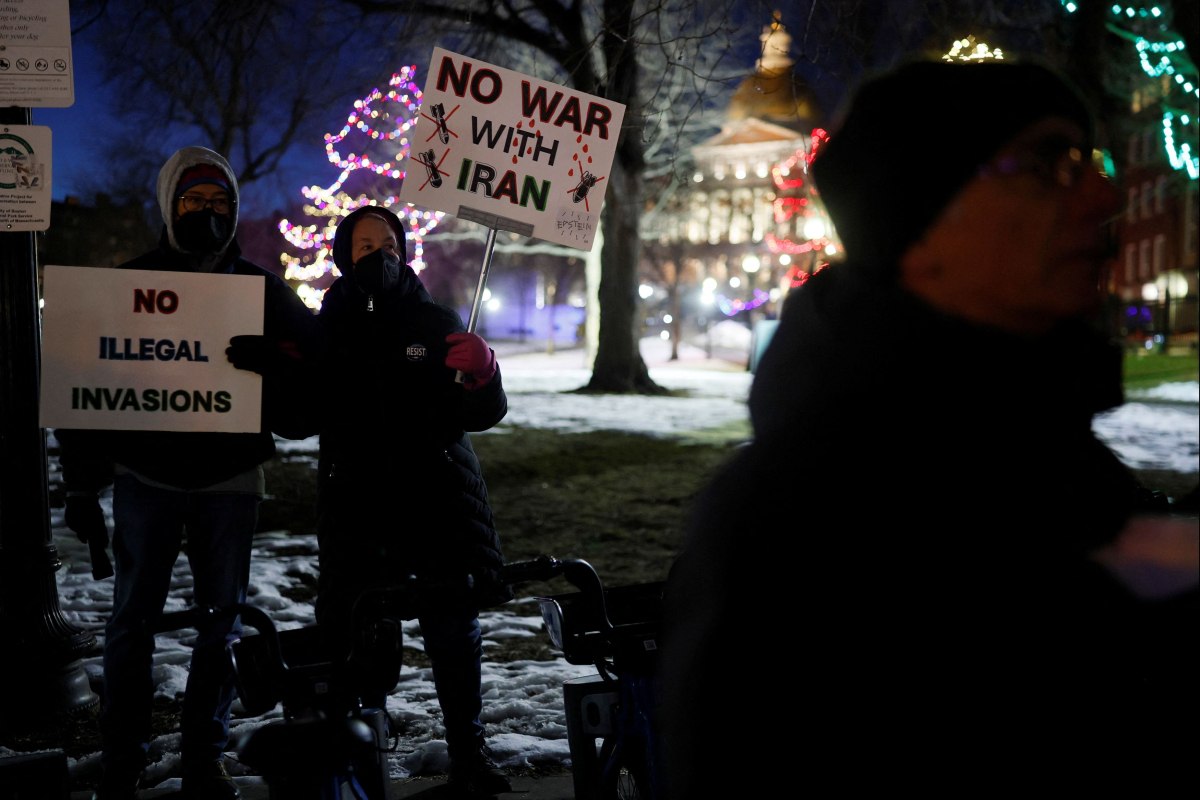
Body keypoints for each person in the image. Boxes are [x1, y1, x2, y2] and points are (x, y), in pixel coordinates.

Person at [659, 59, 1198, 796]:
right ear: (918, 216)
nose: (1105, 196)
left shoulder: (1034, 449)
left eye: (1092, 161)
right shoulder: (802, 518)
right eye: (1050, 164)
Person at [58, 145, 320, 800]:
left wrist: (276, 364)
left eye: (219, 203)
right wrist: (81, 483)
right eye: (194, 201)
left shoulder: (262, 290)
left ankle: (206, 754)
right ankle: (123, 759)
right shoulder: (126, 285)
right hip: (146, 481)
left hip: (230, 482)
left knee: (221, 626)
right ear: (170, 206)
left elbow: (315, 374)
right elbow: (90, 386)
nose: (208, 212)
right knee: (130, 625)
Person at [311, 205, 514, 796]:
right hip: (358, 508)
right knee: (364, 638)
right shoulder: (329, 327)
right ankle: (365, 758)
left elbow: (478, 414)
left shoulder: (434, 318)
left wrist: (484, 373)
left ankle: (469, 753)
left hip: (438, 504)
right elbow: (304, 415)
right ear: (345, 257)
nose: (379, 253)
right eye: (364, 244)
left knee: (453, 629)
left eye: (389, 241)